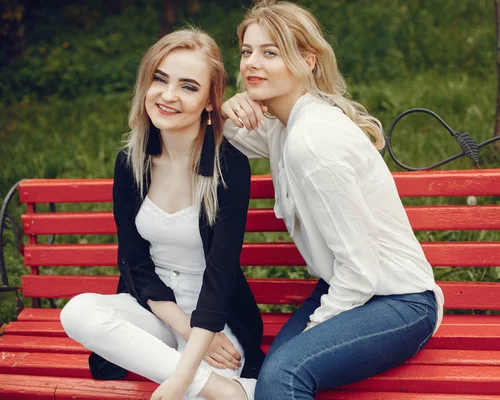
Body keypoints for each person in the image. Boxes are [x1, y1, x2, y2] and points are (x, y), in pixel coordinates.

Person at [220, 2, 445, 399]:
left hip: (400, 302)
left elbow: (360, 268)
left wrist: (313, 331)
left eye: (270, 52)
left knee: (281, 377)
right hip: (349, 288)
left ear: (307, 61)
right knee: (273, 375)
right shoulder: (285, 124)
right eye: (247, 51)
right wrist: (225, 109)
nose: (252, 63)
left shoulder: (314, 141)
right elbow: (221, 135)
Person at [60, 28, 263, 400]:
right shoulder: (131, 162)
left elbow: (221, 275)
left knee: (184, 390)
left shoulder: (228, 167)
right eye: (160, 79)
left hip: (213, 321)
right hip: (155, 312)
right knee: (77, 312)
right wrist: (181, 341)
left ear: (208, 101)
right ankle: (228, 391)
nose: (168, 96)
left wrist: (182, 373)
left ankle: (199, 379)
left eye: (188, 87)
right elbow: (134, 263)